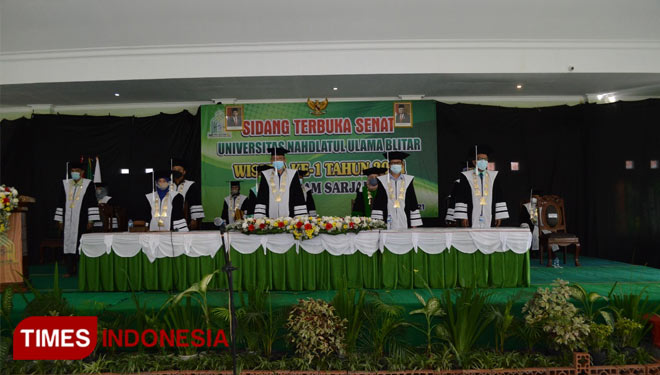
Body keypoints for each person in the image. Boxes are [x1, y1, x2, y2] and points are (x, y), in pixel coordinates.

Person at [54, 161, 99, 276]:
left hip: (82, 219)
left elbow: (92, 203)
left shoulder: (88, 184)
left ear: (82, 172)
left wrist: (91, 220)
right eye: (73, 171)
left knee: (80, 244)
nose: (75, 173)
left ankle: (83, 270)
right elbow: (60, 202)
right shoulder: (65, 184)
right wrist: (60, 220)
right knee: (68, 243)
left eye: (77, 171)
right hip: (68, 220)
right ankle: (70, 269)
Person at [454, 145, 509, 228]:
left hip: (490, 214)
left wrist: (499, 216)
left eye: (485, 159)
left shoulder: (494, 176)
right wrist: (463, 217)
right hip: (471, 214)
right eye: (480, 159)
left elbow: (499, 196)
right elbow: (462, 197)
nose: (483, 161)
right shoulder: (466, 176)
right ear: (474, 162)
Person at [371, 152, 422, 228]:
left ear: (402, 164)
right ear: (389, 165)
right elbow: (379, 203)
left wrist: (414, 224)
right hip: (387, 220)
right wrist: (377, 223)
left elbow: (412, 201)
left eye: (398, 163)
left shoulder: (408, 180)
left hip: (405, 219)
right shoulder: (382, 180)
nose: (395, 165)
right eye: (393, 163)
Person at [254, 147, 307, 218]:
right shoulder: (266, 174)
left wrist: (299, 218)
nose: (277, 161)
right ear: (271, 161)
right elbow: (262, 197)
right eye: (274, 159)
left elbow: (298, 197)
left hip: (290, 218)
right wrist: (260, 218)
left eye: (280, 159)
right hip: (270, 218)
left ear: (284, 160)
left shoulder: (292, 174)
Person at [520, 190, 562, 267]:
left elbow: (549, 218)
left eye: (537, 198)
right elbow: (525, 219)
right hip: (532, 226)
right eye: (533, 197)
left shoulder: (546, 206)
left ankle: (552, 252)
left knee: (549, 231)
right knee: (534, 233)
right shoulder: (527, 206)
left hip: (544, 226)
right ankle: (534, 252)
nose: (535, 200)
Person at [171, 158, 204, 229]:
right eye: (174, 170)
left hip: (186, 217)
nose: (176, 171)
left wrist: (194, 219)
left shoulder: (190, 185)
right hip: (170, 217)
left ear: (184, 172)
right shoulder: (167, 185)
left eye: (179, 170)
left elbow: (195, 202)